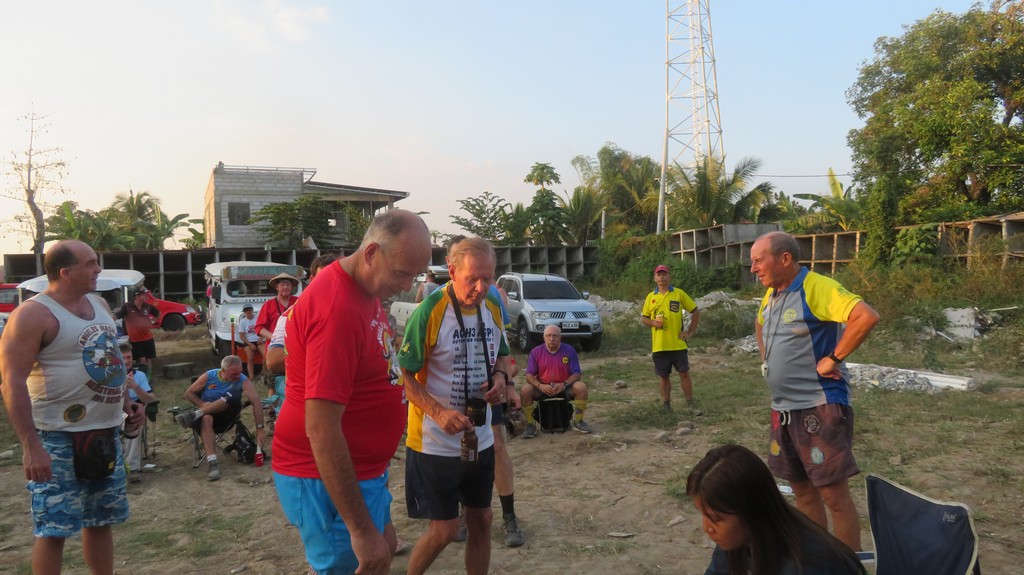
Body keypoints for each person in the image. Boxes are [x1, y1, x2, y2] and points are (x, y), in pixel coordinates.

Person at [272, 210, 431, 575]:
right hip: (323, 477)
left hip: (363, 470)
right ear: (372, 253)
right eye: (402, 273)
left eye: (415, 275)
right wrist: (360, 529)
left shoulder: (363, 286)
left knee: (383, 552)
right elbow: (321, 428)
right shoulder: (336, 309)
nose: (407, 285)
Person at [0, 239, 144, 574]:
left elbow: (110, 358)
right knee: (55, 528)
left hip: (104, 432)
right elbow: (11, 382)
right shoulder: (33, 315)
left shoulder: (98, 303)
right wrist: (31, 447)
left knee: (100, 521)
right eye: (90, 264)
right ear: (65, 272)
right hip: (57, 437)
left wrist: (126, 403)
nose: (98, 269)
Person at [750, 231, 880, 551]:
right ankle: (819, 559)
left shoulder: (816, 287)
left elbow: (865, 316)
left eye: (758, 261)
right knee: (802, 490)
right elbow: (760, 323)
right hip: (783, 410)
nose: (753, 268)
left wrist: (833, 359)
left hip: (818, 406)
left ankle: (847, 566)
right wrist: (767, 358)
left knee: (833, 496)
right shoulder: (772, 295)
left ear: (785, 259)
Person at [399, 235, 512, 575]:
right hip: (435, 442)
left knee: (482, 520)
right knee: (445, 530)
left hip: (481, 437)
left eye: (487, 279)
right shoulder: (429, 311)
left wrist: (501, 379)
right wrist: (438, 412)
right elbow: (404, 376)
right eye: (472, 278)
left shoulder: (493, 307)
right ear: (451, 271)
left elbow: (503, 357)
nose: (480, 288)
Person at [687, 444, 866, 575]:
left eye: (716, 518)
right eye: (703, 514)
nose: (706, 527)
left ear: (752, 512)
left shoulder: (807, 564)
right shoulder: (736, 539)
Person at [175, 355, 266, 482]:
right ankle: (213, 463)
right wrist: (202, 404)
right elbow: (188, 393)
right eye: (234, 374)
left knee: (233, 394)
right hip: (206, 418)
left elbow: (256, 403)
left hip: (227, 417)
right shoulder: (210, 375)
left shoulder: (242, 380)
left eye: (240, 372)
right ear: (223, 370)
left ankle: (195, 414)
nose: (238, 376)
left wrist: (260, 429)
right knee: (207, 418)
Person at [264, 252, 339, 374]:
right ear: (312, 280)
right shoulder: (292, 311)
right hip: (283, 349)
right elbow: (273, 360)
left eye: (335, 277)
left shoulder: (358, 309)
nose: (330, 283)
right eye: (324, 277)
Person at [641, 264, 702, 411]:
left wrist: (690, 331)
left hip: (678, 344)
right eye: (659, 274)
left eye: (664, 274)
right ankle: (666, 406)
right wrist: (653, 322)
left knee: (684, 374)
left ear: (669, 277)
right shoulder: (651, 297)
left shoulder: (678, 294)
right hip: (660, 345)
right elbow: (644, 318)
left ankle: (690, 404)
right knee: (663, 376)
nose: (662, 277)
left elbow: (695, 311)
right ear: (655, 278)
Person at [520, 325, 592, 437]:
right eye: (548, 335)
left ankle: (579, 421)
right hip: (543, 387)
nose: (551, 338)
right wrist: (540, 386)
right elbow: (529, 375)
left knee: (581, 387)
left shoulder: (569, 350)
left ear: (560, 337)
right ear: (544, 337)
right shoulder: (536, 352)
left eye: (555, 335)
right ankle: (530, 425)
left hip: (565, 386)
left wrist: (564, 384)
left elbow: (577, 374)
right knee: (525, 390)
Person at [120, 343, 157, 484]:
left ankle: (132, 468)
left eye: (129, 357)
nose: (126, 361)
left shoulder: (139, 375)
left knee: (133, 420)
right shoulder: (109, 375)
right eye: (123, 358)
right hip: (114, 410)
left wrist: (135, 387)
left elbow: (151, 399)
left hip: (133, 410)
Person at [255, 271, 299, 351]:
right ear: (277, 287)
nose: (285, 287)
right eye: (282, 285)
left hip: (295, 346)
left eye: (288, 285)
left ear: (292, 287)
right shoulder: (268, 305)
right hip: (275, 347)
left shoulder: (299, 302)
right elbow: (259, 327)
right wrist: (274, 337)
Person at [119, 288, 158, 368]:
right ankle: (142, 374)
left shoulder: (147, 306)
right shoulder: (127, 307)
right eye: (144, 295)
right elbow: (116, 316)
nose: (146, 296)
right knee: (141, 359)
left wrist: (153, 322)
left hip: (148, 337)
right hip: (135, 339)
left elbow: (158, 314)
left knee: (149, 359)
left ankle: (148, 375)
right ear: (137, 296)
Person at [236, 304, 260, 380]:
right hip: (249, 341)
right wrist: (250, 344)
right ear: (244, 312)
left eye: (249, 310)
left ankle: (263, 374)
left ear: (252, 310)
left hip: (260, 340)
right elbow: (242, 336)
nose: (248, 312)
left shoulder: (258, 318)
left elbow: (264, 328)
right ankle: (251, 377)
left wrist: (261, 339)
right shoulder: (243, 322)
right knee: (250, 358)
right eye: (246, 311)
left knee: (266, 355)